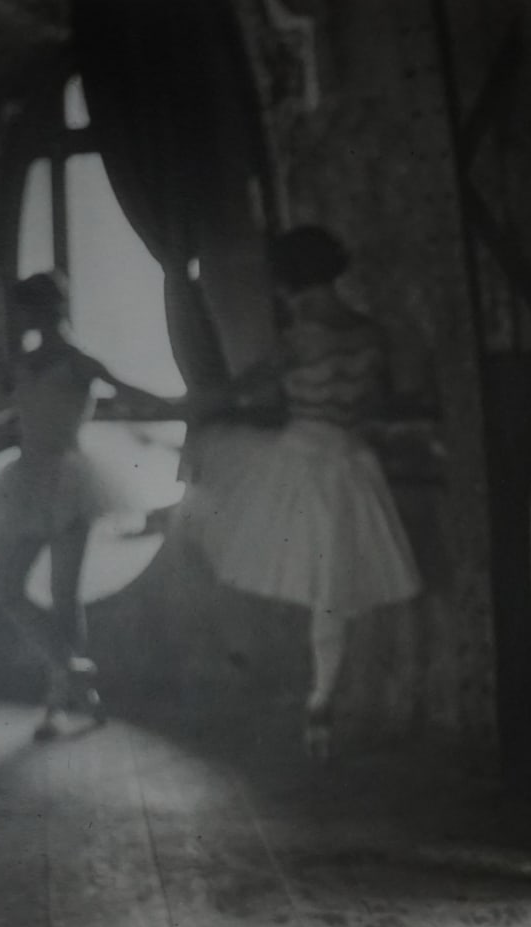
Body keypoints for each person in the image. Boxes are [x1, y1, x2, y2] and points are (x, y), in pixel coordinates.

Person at [179, 225, 422, 760]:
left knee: (213, 497)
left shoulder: (296, 339)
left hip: (301, 457)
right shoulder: (371, 333)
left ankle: (283, 685)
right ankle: (320, 701)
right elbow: (377, 403)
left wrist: (187, 402)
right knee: (330, 595)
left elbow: (240, 391)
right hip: (351, 461)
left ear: (289, 282)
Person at [0, 272, 183, 740]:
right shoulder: (24, 359)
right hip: (25, 475)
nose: (21, 318)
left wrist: (184, 408)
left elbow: (127, 392)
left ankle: (61, 700)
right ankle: (72, 669)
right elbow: (11, 407)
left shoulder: (79, 361)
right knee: (9, 587)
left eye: (27, 309)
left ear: (48, 311)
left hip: (70, 478)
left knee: (65, 594)